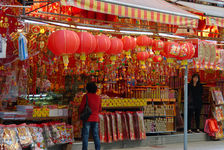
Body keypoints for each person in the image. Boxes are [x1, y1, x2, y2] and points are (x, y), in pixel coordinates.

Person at [79, 82, 101, 150]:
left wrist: (80, 113)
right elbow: (100, 109)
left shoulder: (86, 96)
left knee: (85, 135)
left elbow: (81, 108)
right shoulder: (98, 97)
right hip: (95, 118)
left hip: (87, 118)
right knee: (96, 135)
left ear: (87, 88)